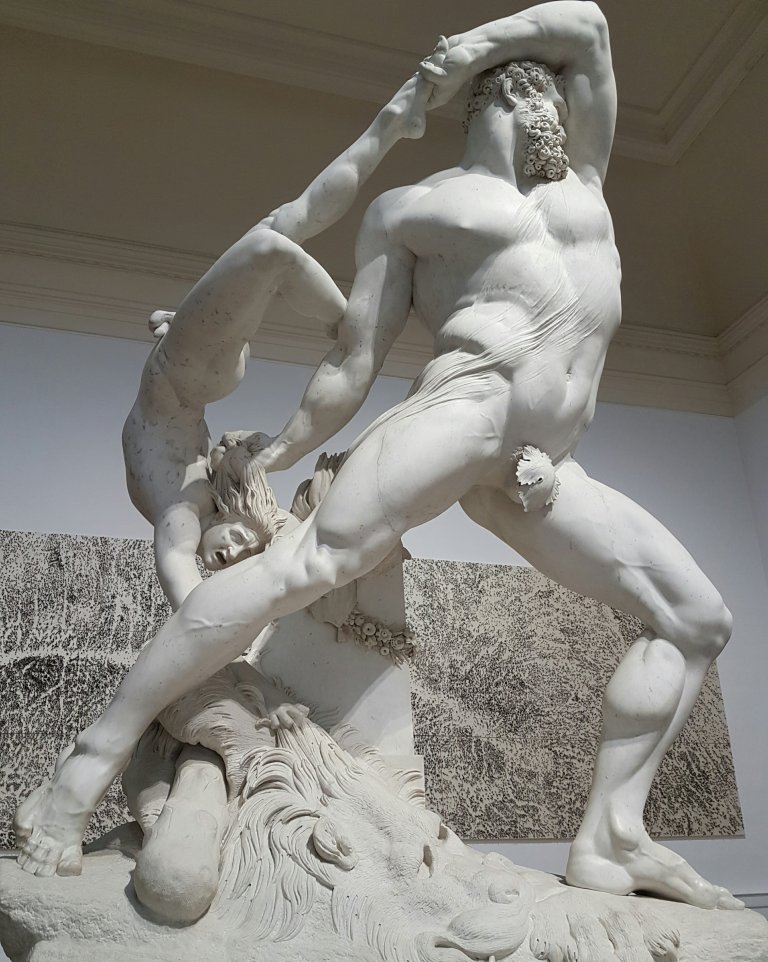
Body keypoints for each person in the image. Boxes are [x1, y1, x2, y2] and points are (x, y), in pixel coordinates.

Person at [15, 1, 741, 912]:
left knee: (695, 620)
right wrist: (281, 448)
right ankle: (88, 762)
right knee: (305, 567)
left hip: (543, 469)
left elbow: (588, 25)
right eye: (550, 104)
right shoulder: (412, 211)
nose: (566, 118)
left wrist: (469, 44)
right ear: (513, 100)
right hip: (464, 408)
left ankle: (612, 837)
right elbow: (352, 364)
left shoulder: (582, 188)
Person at [121, 71, 433, 611]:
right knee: (286, 225)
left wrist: (344, 327)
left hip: (187, 373)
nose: (233, 553)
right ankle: (392, 124)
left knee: (275, 244)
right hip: (196, 372)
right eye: (246, 549)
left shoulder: (181, 514)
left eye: (228, 557)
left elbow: (178, 572)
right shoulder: (198, 494)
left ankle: (348, 325)